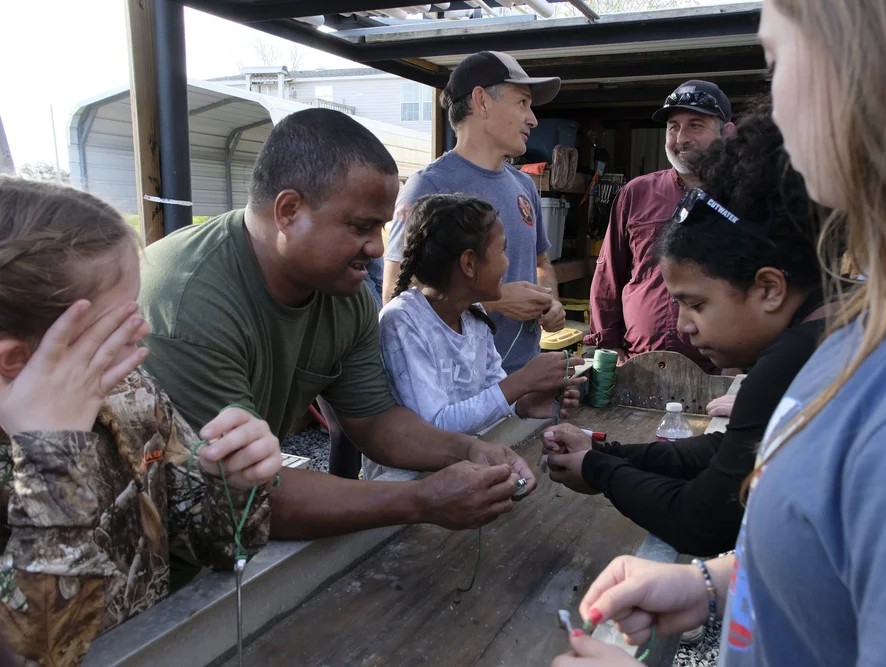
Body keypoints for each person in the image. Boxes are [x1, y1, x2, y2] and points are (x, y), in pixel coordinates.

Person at [553, 0, 886, 664]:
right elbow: (840, 548)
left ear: (859, 75)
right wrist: (712, 583)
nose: (767, 112)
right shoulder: (876, 321)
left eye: (776, 61)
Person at [138, 108, 536, 540]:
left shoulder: (343, 296)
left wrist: (470, 449)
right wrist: (420, 501)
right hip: (142, 556)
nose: (377, 247)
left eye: (382, 227)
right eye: (361, 227)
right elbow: (242, 494)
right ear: (288, 211)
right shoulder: (192, 304)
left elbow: (377, 422)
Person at [0, 178, 281, 664]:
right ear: (13, 359)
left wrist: (234, 484)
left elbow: (216, 547)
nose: (144, 330)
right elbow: (38, 653)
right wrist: (52, 457)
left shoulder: (128, 393)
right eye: (116, 327)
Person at [543, 102, 836, 557]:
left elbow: (702, 521)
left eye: (696, 304)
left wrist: (599, 472)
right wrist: (604, 452)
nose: (683, 325)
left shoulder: (793, 363)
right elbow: (723, 453)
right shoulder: (823, 329)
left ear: (770, 289)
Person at [368, 193, 584, 479]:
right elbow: (434, 427)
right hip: (404, 486)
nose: (508, 264)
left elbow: (490, 390)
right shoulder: (403, 322)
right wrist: (521, 381)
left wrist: (524, 402)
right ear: (469, 264)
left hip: (460, 471)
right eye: (502, 251)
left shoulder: (473, 316)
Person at [383, 51, 567, 373]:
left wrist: (549, 300)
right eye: (522, 103)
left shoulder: (525, 186)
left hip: (528, 378)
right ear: (482, 101)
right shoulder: (428, 187)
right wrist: (493, 301)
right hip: (460, 388)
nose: (533, 119)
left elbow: (540, 264)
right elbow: (395, 299)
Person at [586, 80, 736, 372]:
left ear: (726, 133)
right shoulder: (635, 193)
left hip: (718, 371)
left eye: (696, 125)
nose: (681, 138)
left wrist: (738, 369)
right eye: (673, 127)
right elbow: (609, 274)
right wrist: (609, 346)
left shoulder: (745, 197)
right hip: (635, 364)